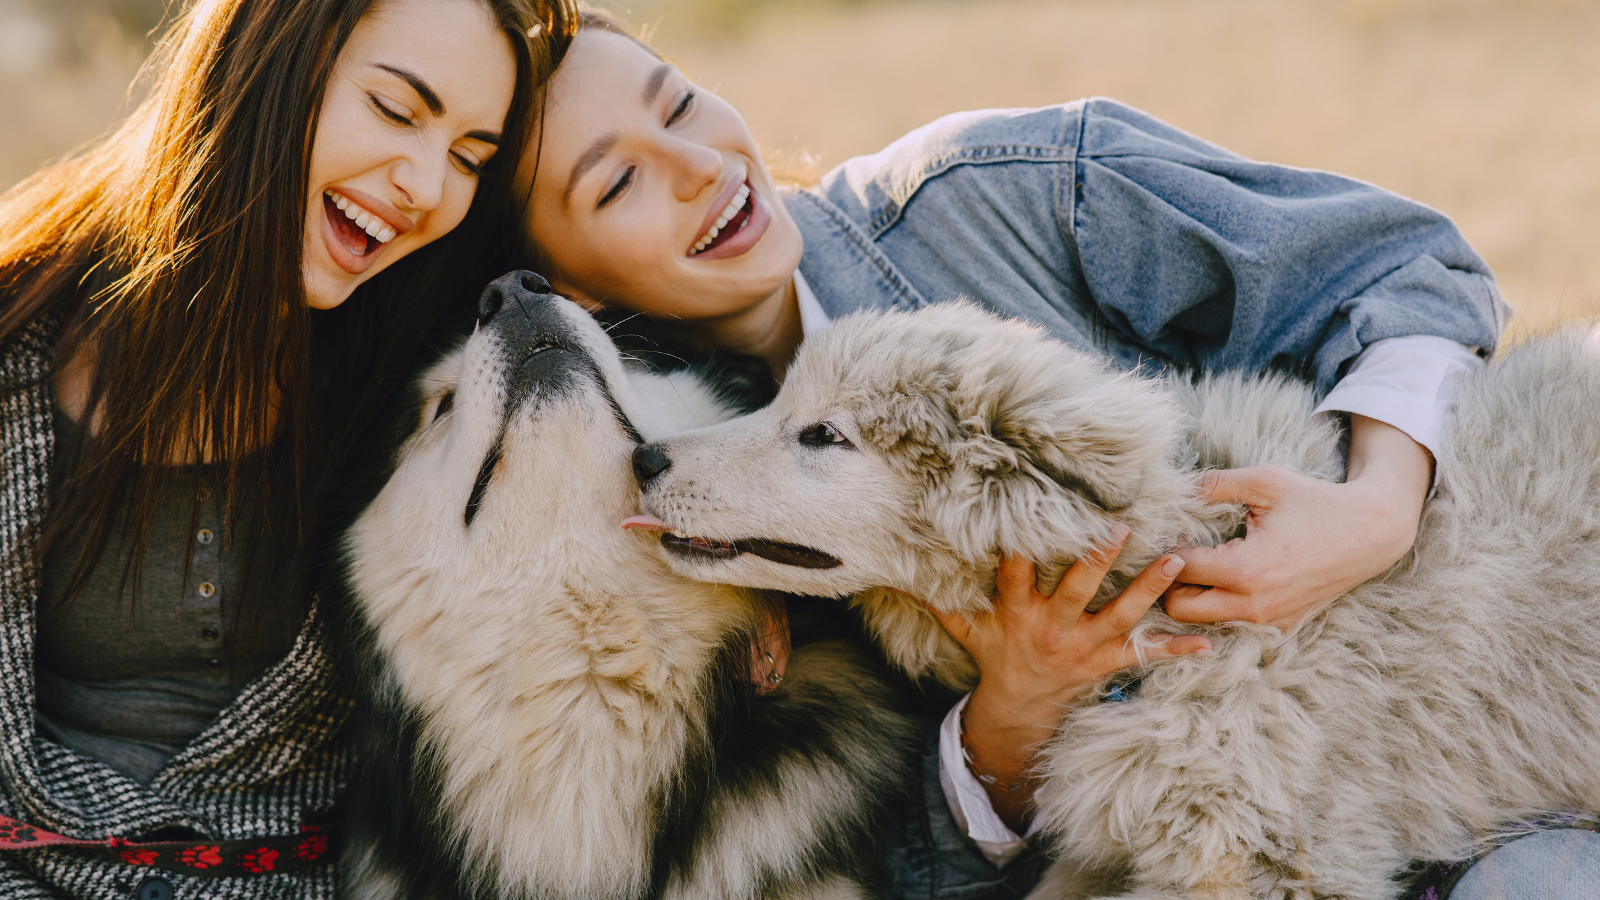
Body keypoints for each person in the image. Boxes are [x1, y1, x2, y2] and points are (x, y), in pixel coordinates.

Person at [513, 11, 1596, 899]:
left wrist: (1373, 510)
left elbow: (1400, 267)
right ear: (571, 293)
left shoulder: (999, 188)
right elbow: (877, 859)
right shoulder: (673, 488)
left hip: (1434, 670)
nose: (701, 167)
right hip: (1271, 804)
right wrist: (1009, 716)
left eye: (681, 103)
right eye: (617, 185)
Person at [0, 0, 571, 895]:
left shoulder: (431, 377)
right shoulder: (17, 332)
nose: (425, 186)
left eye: (468, 157)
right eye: (395, 109)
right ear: (262, 57)